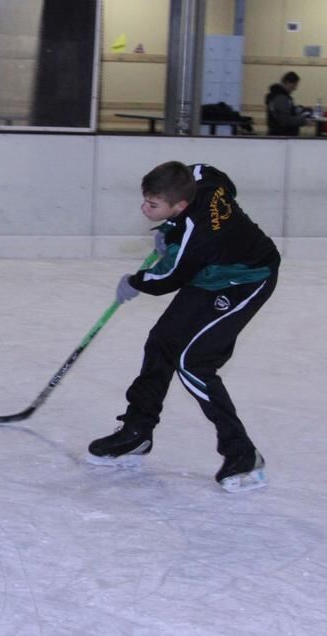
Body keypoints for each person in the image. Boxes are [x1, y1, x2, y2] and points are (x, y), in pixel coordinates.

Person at [87, 161, 280, 492]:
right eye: (145, 200)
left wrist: (136, 281)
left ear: (179, 205)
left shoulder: (198, 237)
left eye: (153, 205)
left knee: (194, 364)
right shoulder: (200, 179)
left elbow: (168, 278)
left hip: (245, 279)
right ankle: (137, 432)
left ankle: (243, 454)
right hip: (210, 270)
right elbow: (217, 176)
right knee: (162, 341)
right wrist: (170, 230)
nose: (144, 209)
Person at [265, 71, 312, 136]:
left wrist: (300, 109)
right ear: (287, 83)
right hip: (282, 137)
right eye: (294, 85)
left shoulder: (280, 97)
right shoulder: (281, 98)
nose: (295, 88)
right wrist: (304, 121)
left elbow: (288, 111)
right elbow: (285, 120)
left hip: (279, 136)